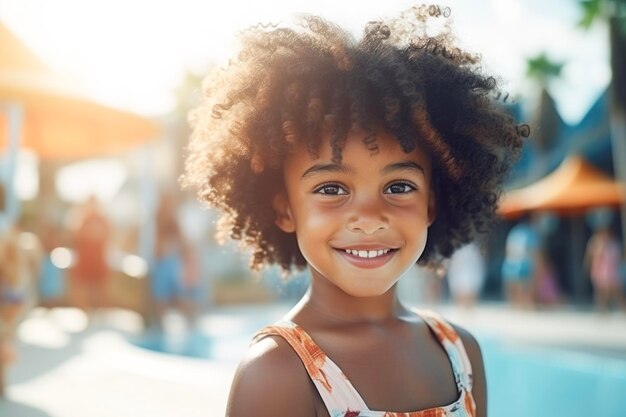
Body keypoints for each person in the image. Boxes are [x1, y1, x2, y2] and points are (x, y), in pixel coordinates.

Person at [182, 5, 525, 416]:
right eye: (331, 188)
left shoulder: (461, 353)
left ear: (432, 202)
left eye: (398, 187)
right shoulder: (277, 373)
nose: (368, 215)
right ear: (285, 209)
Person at [70, 196, 111, 316]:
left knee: (100, 286)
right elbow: (77, 237)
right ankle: (85, 311)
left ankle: (102, 312)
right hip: (86, 258)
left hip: (98, 258)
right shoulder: (83, 219)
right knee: (84, 286)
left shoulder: (102, 219)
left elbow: (106, 235)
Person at [501, 216, 540, 309]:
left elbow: (508, 248)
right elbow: (533, 251)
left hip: (511, 262)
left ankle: (515, 306)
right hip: (524, 263)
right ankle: (527, 305)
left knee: (514, 287)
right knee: (526, 286)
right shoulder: (530, 232)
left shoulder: (514, 231)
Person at [584, 225, 625, 313]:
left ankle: (623, 307)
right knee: (601, 291)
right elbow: (591, 257)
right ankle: (602, 309)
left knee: (616, 290)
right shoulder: (595, 243)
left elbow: (620, 257)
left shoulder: (613, 244)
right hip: (600, 271)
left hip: (611, 271)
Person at [447, 242, 486, 311]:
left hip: (468, 270)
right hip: (461, 271)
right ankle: (462, 308)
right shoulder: (457, 247)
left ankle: (468, 308)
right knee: (461, 289)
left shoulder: (472, 248)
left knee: (469, 289)